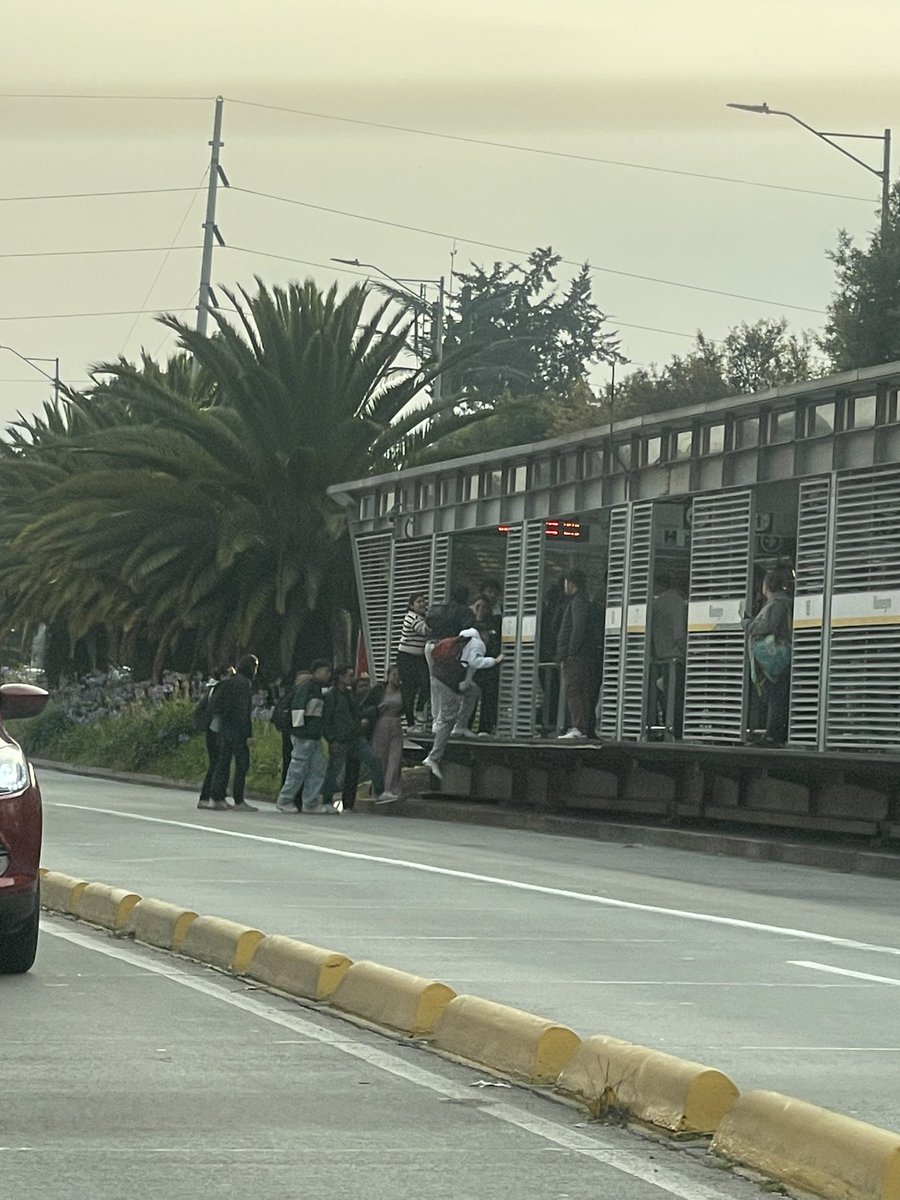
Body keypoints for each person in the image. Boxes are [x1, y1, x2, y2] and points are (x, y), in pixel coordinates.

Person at [423, 626, 503, 781]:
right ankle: (433, 757)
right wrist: (495, 660)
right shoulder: (478, 643)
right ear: (483, 634)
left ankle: (461, 726)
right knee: (448, 719)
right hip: (449, 682)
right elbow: (475, 662)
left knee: (472, 691)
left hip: (438, 677)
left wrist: (466, 682)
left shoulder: (460, 639)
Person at [321, 665, 388, 806]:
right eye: (349, 675)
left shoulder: (349, 695)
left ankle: (380, 792)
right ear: (340, 676)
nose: (352, 678)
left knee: (374, 759)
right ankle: (326, 800)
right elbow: (326, 721)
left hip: (355, 737)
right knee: (334, 771)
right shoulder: (331, 696)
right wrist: (331, 740)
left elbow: (357, 712)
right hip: (340, 739)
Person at [276, 660, 334, 813]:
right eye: (325, 671)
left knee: (317, 769)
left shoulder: (318, 689)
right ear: (317, 671)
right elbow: (298, 708)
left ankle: (310, 802)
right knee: (298, 768)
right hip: (305, 735)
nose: (328, 674)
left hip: (313, 735)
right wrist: (299, 730)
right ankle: (285, 799)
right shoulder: (307, 687)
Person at [748, 565, 794, 746]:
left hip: (775, 657)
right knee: (779, 695)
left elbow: (766, 626)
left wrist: (747, 624)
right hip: (783, 654)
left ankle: (772, 735)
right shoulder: (786, 602)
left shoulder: (776, 604)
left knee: (775, 696)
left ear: (767, 585)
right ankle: (776, 733)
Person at [209, 654, 260, 812]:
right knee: (242, 764)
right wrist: (248, 734)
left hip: (225, 727)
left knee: (223, 763)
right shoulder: (244, 684)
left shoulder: (229, 681)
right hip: (238, 730)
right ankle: (239, 800)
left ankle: (217, 797)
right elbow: (243, 711)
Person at [424, 584, 473, 731]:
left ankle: (435, 721)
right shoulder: (464, 611)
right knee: (447, 685)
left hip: (431, 646)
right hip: (448, 649)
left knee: (434, 682)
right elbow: (468, 631)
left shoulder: (440, 609)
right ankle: (444, 722)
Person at [649, 571, 687, 738]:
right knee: (677, 697)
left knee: (664, 697)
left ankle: (664, 726)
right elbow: (679, 634)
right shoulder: (676, 602)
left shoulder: (656, 604)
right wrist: (688, 653)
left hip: (659, 657)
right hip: (676, 658)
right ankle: (676, 730)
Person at [556, 570, 592, 739]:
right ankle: (580, 727)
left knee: (573, 691)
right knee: (579, 691)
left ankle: (577, 726)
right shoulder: (582, 601)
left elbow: (578, 628)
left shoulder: (577, 602)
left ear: (571, 583)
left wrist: (570, 651)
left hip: (574, 657)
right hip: (580, 655)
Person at [196, 663, 234, 810]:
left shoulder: (213, 688)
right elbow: (218, 709)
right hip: (216, 730)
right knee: (218, 764)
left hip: (212, 729)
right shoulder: (220, 688)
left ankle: (209, 797)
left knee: (215, 764)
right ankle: (211, 796)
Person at [340, 675, 378, 810]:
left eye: (366, 686)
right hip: (352, 739)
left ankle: (350, 803)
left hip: (366, 738)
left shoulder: (372, 700)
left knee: (356, 771)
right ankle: (347, 803)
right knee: (351, 771)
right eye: (361, 686)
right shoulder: (352, 700)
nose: (364, 689)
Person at [397, 592, 430, 730]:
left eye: (423, 601)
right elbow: (424, 631)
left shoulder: (422, 618)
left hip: (420, 657)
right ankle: (410, 723)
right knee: (409, 689)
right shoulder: (411, 617)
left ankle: (419, 709)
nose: (422, 604)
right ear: (411, 605)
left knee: (426, 684)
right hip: (407, 657)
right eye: (418, 602)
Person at [473, 580, 503, 734]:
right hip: (479, 658)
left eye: (495, 592)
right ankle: (466, 725)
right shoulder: (482, 607)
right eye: (489, 591)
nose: (492, 595)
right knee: (473, 694)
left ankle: (486, 726)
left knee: (490, 695)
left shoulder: (499, 611)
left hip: (492, 659)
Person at [371, 666, 404, 803]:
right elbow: (368, 705)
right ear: (388, 675)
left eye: (398, 675)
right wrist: (376, 710)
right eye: (394, 675)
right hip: (382, 722)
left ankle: (391, 788)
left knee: (395, 756)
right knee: (380, 755)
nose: (396, 678)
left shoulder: (403, 692)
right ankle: (378, 789)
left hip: (396, 721)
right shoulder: (379, 690)